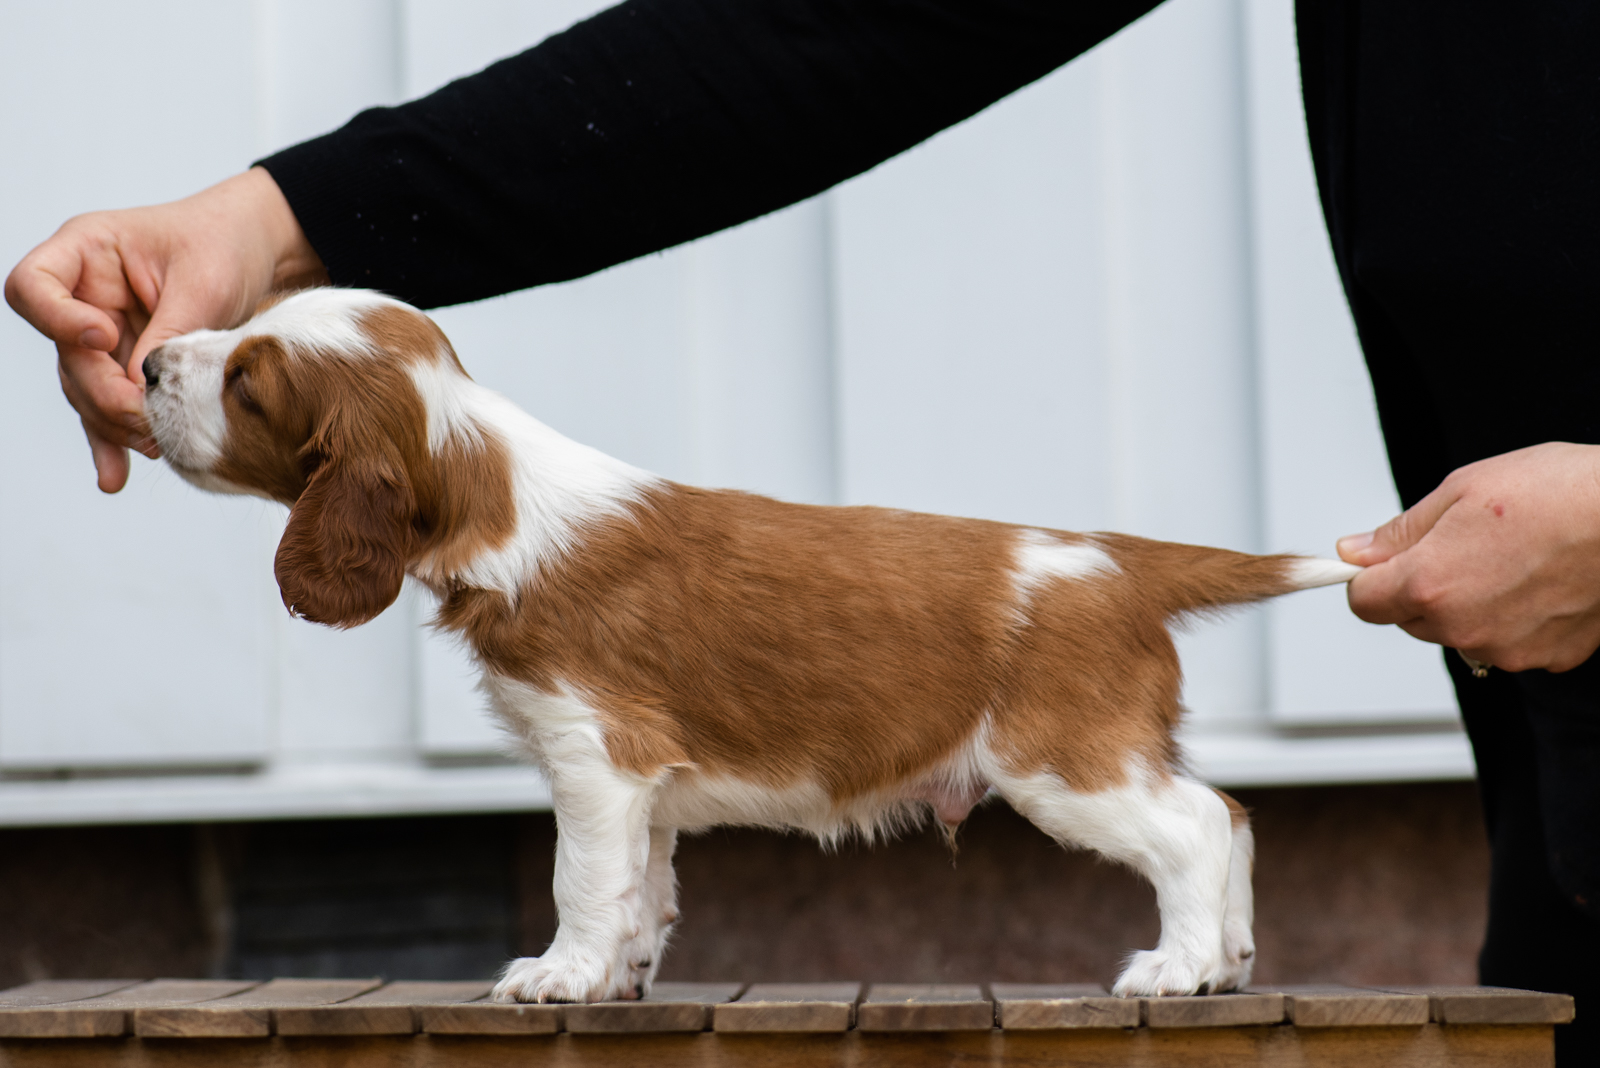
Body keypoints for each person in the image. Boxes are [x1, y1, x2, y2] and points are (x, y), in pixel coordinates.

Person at [7, 0, 1599, 1059]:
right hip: (1566, 819)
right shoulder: (535, 540)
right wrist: (282, 211)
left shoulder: (542, 567)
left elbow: (608, 770)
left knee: (1078, 783)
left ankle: (1187, 874)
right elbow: (827, 32)